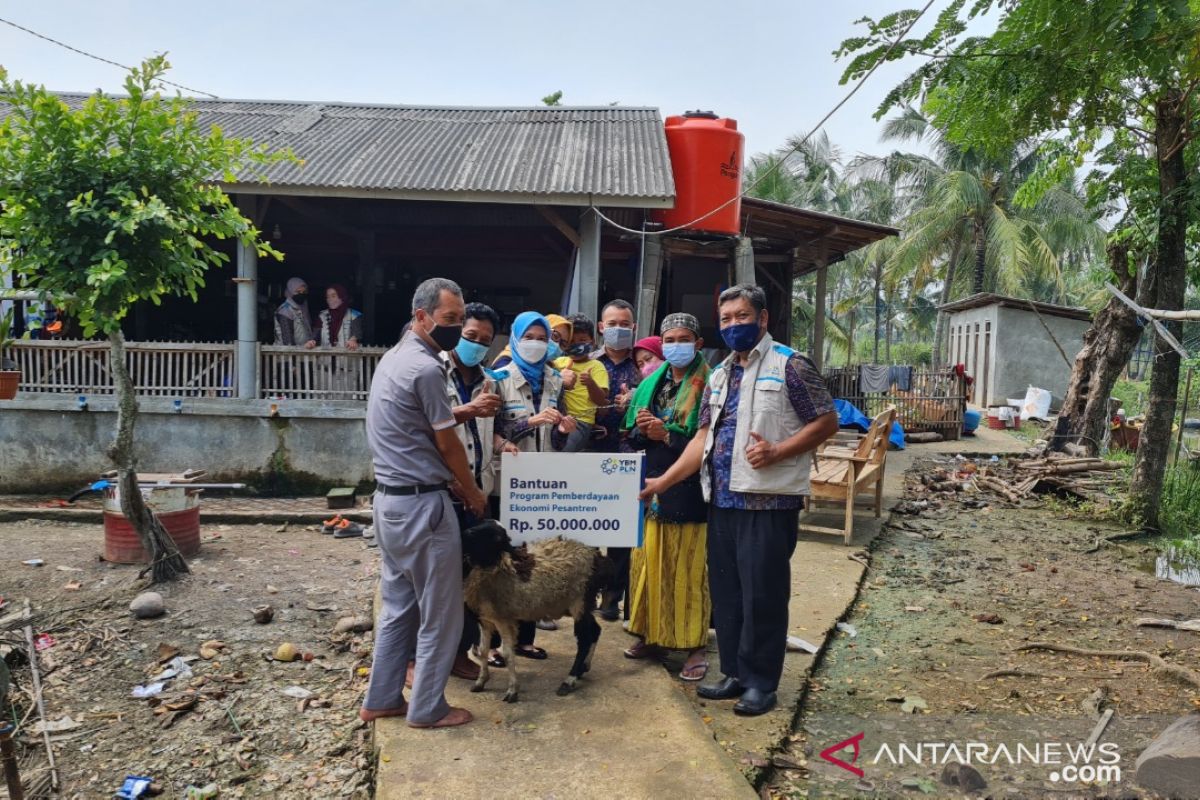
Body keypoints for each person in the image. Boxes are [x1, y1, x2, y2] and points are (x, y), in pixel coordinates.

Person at [640, 284, 839, 717]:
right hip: (722, 502)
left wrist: (778, 451)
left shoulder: (790, 365)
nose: (733, 325)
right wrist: (664, 482)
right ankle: (733, 672)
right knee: (727, 593)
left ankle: (761, 683)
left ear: (763, 319)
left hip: (768, 503)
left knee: (762, 595)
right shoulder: (719, 373)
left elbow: (826, 421)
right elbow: (701, 438)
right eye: (726, 318)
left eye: (742, 316)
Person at [360, 277, 485, 730]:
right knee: (441, 613)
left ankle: (382, 697)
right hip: (421, 508)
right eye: (449, 320)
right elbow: (448, 443)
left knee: (398, 608)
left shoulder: (392, 360)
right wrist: (472, 492)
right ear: (421, 316)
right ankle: (428, 707)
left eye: (458, 319)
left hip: (390, 503)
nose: (454, 328)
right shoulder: (427, 368)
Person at [622, 313, 711, 681]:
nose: (676, 345)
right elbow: (631, 432)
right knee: (647, 562)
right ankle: (651, 634)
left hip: (689, 489)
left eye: (684, 338)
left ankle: (694, 645)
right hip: (649, 485)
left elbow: (706, 440)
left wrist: (667, 434)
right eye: (669, 339)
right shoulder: (651, 383)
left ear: (698, 343)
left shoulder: (709, 383)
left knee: (686, 569)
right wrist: (645, 429)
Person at [490, 310, 576, 659]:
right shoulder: (498, 378)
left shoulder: (554, 380)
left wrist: (561, 430)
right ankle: (496, 644)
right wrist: (531, 422)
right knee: (501, 564)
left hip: (540, 486)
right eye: (531, 337)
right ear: (515, 337)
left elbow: (554, 440)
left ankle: (524, 638)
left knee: (531, 562)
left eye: (543, 338)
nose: (537, 344)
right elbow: (491, 431)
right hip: (505, 484)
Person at [442, 302, 506, 681]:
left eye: (484, 340)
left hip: (478, 490)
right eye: (470, 337)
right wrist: (471, 408)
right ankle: (421, 657)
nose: (477, 345)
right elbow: (427, 426)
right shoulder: (436, 374)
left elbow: (494, 427)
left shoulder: (490, 379)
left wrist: (503, 443)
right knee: (440, 580)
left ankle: (461, 652)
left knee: (471, 578)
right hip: (445, 491)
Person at [593, 299, 641, 621]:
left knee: (622, 532)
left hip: (627, 459)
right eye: (612, 323)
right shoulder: (586, 364)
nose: (618, 329)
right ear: (601, 327)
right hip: (589, 458)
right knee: (586, 527)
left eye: (624, 323)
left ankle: (613, 598)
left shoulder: (646, 367)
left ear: (634, 327)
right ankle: (585, 593)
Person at [558, 314, 608, 453]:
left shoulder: (596, 366)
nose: (576, 344)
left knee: (563, 452)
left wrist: (590, 383)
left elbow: (601, 401)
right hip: (557, 419)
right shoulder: (558, 363)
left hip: (580, 423)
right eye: (571, 340)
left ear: (592, 342)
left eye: (582, 340)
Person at [316, 284, 363, 349]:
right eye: (327, 297)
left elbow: (357, 333)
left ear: (342, 297)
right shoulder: (322, 315)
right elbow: (316, 335)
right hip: (326, 357)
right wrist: (312, 341)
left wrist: (353, 339)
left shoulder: (354, 315)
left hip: (347, 356)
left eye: (333, 296)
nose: (329, 299)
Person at [274, 277, 316, 348]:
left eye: (304, 292)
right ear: (290, 292)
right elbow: (288, 342)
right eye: (298, 292)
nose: (301, 294)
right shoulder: (285, 310)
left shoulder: (303, 307)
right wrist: (303, 347)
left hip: (303, 354)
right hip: (287, 355)